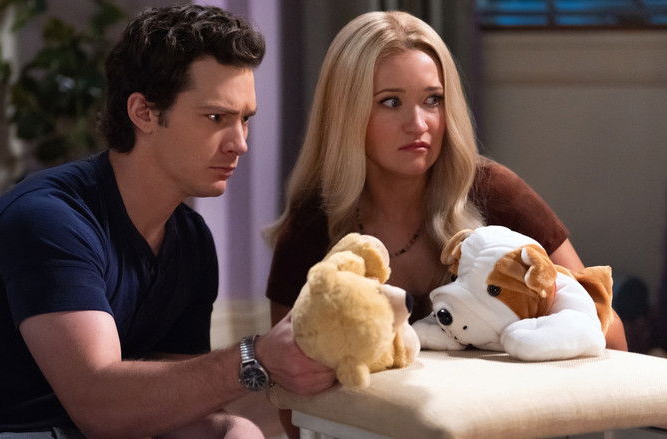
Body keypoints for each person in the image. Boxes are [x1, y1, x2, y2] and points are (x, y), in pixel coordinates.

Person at [0, 5, 335, 438]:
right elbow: (101, 406)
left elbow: (170, 399)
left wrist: (231, 428)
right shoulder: (48, 221)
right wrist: (255, 358)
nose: (239, 143)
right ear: (143, 112)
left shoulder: (189, 240)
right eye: (216, 117)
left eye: (245, 120)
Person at [264, 10, 628, 438]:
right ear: (346, 112)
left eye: (433, 100)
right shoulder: (314, 223)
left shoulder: (495, 193)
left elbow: (610, 335)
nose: (419, 124)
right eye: (391, 101)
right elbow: (290, 398)